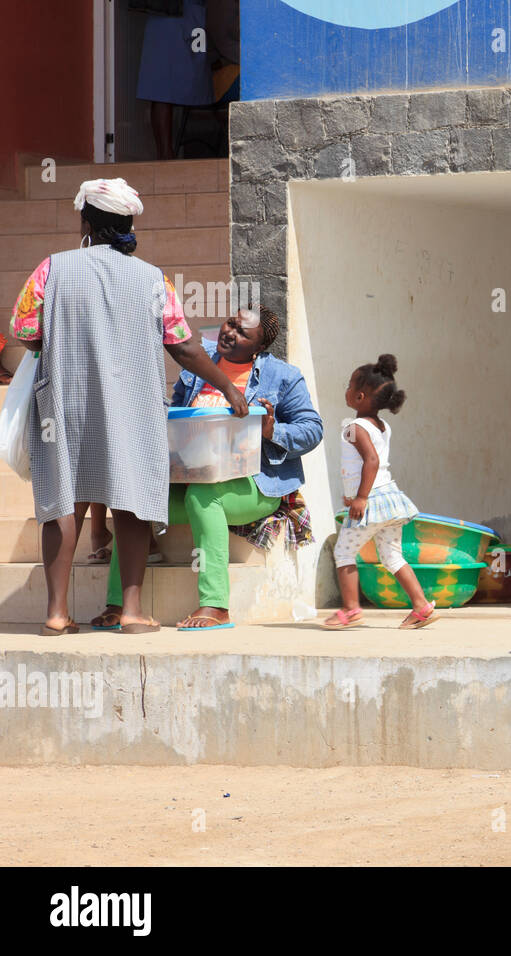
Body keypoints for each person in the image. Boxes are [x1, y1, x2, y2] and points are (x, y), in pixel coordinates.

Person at [8, 178, 245, 635]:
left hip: (64, 403)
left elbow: (23, 329)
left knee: (65, 499)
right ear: (128, 225)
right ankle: (132, 613)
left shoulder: (51, 270)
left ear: (86, 223)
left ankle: (57, 614)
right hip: (131, 407)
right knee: (133, 499)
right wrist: (230, 390)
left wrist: (58, 339)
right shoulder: (154, 279)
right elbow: (184, 347)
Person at [93, 304, 322, 631]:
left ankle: (216, 605)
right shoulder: (198, 367)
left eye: (243, 333)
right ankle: (120, 603)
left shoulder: (283, 376)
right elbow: (177, 419)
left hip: (256, 485)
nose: (230, 332)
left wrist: (271, 430)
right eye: (231, 323)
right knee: (137, 499)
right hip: (192, 476)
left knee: (203, 494)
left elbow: (313, 429)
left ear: (259, 347)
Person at [324, 355, 437, 630]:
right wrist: (355, 494)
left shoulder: (353, 427)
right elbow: (369, 465)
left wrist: (360, 497)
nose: (346, 389)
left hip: (372, 502)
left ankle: (351, 609)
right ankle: (421, 606)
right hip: (388, 498)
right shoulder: (382, 427)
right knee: (392, 556)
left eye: (350, 385)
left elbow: (370, 461)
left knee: (344, 552)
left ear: (360, 396)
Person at [136, 0, 213, 160]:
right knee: (161, 86)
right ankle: (165, 154)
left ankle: (167, 153)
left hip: (191, 12)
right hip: (168, 13)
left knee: (192, 82)